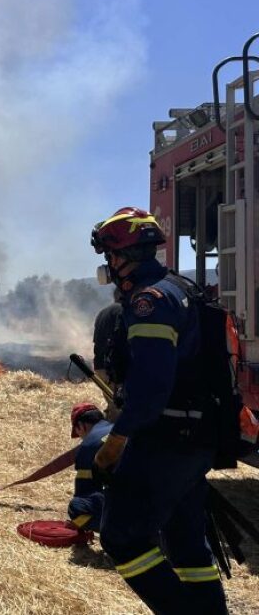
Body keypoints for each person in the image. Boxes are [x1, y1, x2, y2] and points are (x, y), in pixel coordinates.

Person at [90, 207, 228, 615]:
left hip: (166, 439)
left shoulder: (149, 301)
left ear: (123, 255)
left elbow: (151, 388)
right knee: (186, 545)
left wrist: (116, 441)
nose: (109, 265)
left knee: (122, 537)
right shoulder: (179, 288)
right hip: (193, 436)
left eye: (110, 256)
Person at [67, 402, 113, 532]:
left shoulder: (88, 446)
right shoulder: (118, 429)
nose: (81, 438)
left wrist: (78, 524)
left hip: (128, 504)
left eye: (77, 432)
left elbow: (85, 493)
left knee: (76, 507)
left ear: (81, 426)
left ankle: (116, 530)